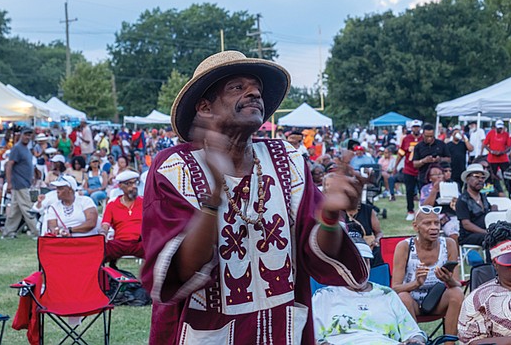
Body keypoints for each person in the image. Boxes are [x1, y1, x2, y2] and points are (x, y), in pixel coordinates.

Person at [140, 51, 368, 344]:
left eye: (256, 87)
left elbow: (318, 253)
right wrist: (214, 197)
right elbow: (182, 270)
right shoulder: (174, 167)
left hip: (281, 329)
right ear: (205, 107)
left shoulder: (288, 159)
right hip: (206, 332)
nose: (254, 93)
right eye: (238, 87)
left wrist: (330, 217)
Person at [312, 239, 427, 345]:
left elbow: (414, 333)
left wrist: (416, 341)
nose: (359, 269)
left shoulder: (386, 294)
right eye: (353, 263)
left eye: (364, 262)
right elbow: (311, 337)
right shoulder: (324, 296)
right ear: (341, 266)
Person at [392, 205, 464, 339]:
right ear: (415, 226)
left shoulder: (449, 244)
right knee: (403, 297)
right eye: (427, 223)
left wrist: (448, 280)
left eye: (436, 223)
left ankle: (450, 342)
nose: (434, 227)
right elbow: (395, 288)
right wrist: (416, 283)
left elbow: (457, 284)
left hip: (437, 300)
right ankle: (416, 341)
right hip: (411, 303)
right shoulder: (405, 247)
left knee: (457, 293)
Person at [99, 170, 144, 265]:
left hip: (139, 243)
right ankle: (104, 278)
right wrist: (103, 234)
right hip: (119, 244)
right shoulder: (112, 204)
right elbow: (105, 225)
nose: (134, 186)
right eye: (129, 184)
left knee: (156, 249)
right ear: (120, 186)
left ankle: (150, 278)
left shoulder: (145, 202)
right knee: (99, 251)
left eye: (135, 182)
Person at [1, 127, 39, 239]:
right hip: (19, 183)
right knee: (28, 208)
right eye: (25, 134)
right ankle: (37, 232)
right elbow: (9, 165)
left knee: (15, 210)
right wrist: (9, 182)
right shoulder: (17, 148)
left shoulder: (26, 148)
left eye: (29, 135)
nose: (27, 137)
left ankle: (8, 233)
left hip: (25, 182)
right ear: (21, 135)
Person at [456, 164, 494, 246]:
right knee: (490, 238)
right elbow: (466, 224)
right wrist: (485, 232)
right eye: (476, 177)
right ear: (468, 179)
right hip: (469, 235)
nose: (480, 180)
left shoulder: (483, 197)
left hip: (485, 232)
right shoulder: (462, 200)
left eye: (483, 178)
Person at [420, 164, 459, 243]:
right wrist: (435, 189)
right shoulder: (426, 189)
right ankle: (456, 254)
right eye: (435, 174)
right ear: (430, 178)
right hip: (438, 217)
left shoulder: (451, 186)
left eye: (440, 174)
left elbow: (459, 202)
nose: (439, 177)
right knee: (453, 233)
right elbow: (426, 207)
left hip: (454, 215)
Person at [395, 120, 423, 221]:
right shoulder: (406, 139)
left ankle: (422, 210)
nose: (416, 129)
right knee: (409, 191)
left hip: (421, 170)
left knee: (423, 191)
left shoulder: (423, 138)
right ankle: (410, 211)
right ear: (411, 128)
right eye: (414, 127)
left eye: (418, 127)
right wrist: (395, 166)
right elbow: (400, 154)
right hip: (409, 169)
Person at [413, 123, 451, 190]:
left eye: (431, 136)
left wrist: (440, 159)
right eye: (427, 136)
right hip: (424, 177)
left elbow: (449, 159)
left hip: (440, 178)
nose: (429, 138)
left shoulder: (441, 144)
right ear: (423, 135)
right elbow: (415, 164)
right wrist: (423, 161)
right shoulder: (418, 146)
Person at [483, 120, 511, 187]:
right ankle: (490, 190)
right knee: (491, 176)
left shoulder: (506, 134)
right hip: (492, 158)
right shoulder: (490, 133)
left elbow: (509, 146)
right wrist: (491, 151)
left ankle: (509, 190)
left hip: (503, 158)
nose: (500, 129)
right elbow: (485, 144)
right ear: (495, 127)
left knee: (507, 177)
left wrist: (502, 152)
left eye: (501, 128)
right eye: (498, 128)